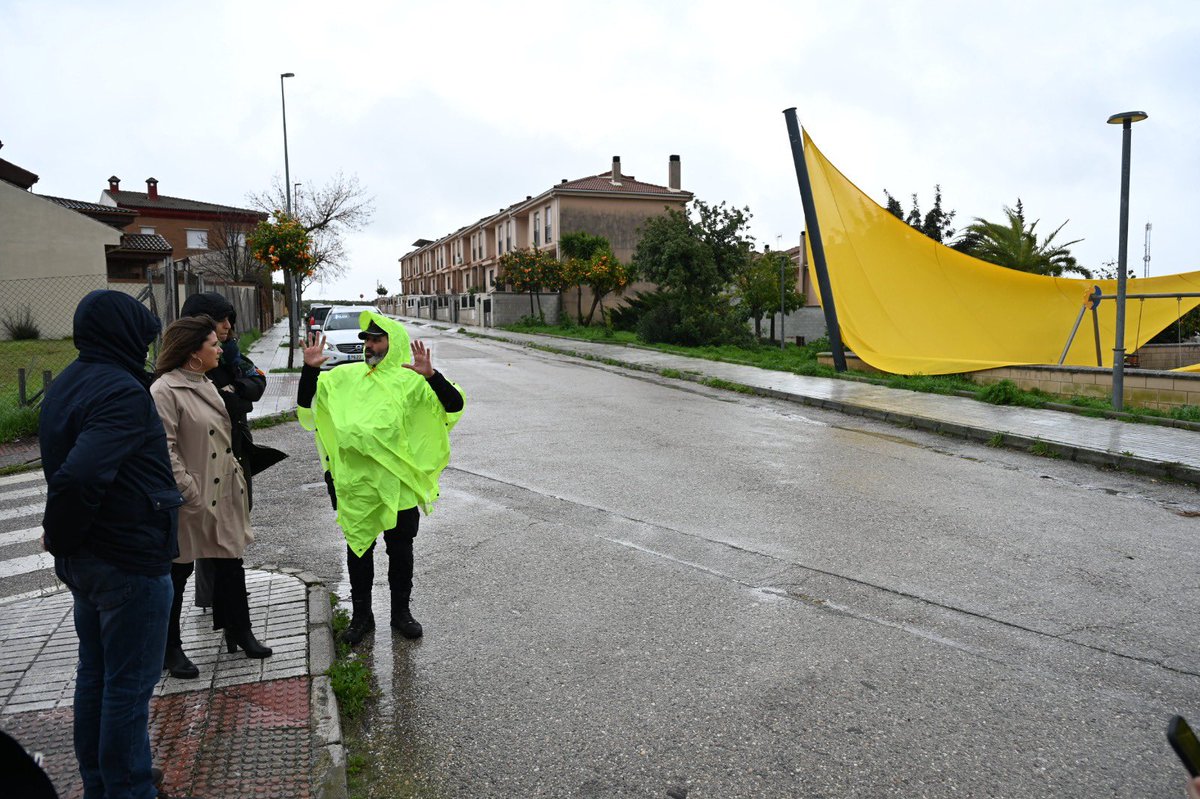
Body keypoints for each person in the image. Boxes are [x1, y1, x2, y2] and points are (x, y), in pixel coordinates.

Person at [40, 290, 183, 799]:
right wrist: (60, 536)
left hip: (90, 559)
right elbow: (78, 477)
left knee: (96, 677)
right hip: (127, 560)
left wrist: (65, 545)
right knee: (126, 688)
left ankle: (102, 784)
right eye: (142, 338)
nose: (146, 348)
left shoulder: (67, 383)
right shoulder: (120, 390)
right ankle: (129, 789)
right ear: (121, 334)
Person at [298, 311, 464, 646]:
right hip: (357, 485)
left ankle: (401, 613)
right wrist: (310, 370)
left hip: (398, 485)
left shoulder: (412, 380)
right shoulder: (344, 379)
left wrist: (432, 377)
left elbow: (453, 406)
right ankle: (362, 617)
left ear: (394, 341)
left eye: (377, 339)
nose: (370, 345)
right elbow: (309, 408)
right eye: (368, 340)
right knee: (359, 550)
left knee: (401, 550)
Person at [152, 316, 272, 679]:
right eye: (212, 344)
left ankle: (239, 629)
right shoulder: (165, 390)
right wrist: (188, 489)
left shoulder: (204, 381)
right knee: (179, 570)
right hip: (191, 497)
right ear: (191, 352)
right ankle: (169, 648)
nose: (221, 347)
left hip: (223, 488)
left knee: (230, 562)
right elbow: (164, 449)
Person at [177, 292, 276, 612]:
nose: (228, 327)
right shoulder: (190, 365)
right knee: (208, 527)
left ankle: (228, 596)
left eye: (229, 320)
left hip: (237, 450)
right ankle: (215, 597)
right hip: (203, 459)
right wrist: (234, 396)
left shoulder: (230, 354)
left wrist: (237, 393)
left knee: (235, 519)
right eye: (222, 321)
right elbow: (224, 403)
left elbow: (256, 384)